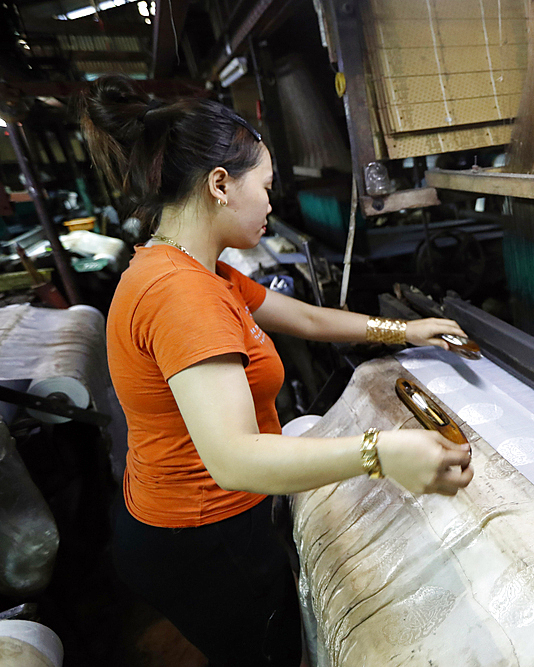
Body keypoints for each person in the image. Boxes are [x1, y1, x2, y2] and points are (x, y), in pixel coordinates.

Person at [79, 75, 474, 666]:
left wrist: (407, 330)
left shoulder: (192, 268)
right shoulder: (182, 294)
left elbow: (308, 320)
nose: (271, 203)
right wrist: (382, 453)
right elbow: (235, 460)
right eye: (263, 187)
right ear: (219, 185)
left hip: (172, 519)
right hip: (203, 537)